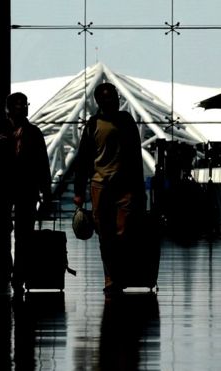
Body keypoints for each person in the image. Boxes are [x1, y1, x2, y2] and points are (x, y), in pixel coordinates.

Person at [73, 82, 146, 294]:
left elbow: (134, 155)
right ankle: (111, 278)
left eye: (112, 96)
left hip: (120, 185)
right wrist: (79, 190)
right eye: (105, 97)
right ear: (99, 101)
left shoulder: (125, 121)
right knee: (107, 234)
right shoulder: (94, 124)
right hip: (101, 186)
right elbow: (84, 158)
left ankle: (115, 276)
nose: (110, 100)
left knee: (121, 233)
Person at [0, 92, 52, 293]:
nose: (22, 108)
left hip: (25, 188)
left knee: (23, 234)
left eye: (24, 105)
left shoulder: (34, 133)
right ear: (9, 108)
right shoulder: (0, 132)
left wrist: (46, 193)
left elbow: (42, 164)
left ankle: (18, 276)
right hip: (4, 187)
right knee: (3, 233)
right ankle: (6, 272)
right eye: (18, 105)